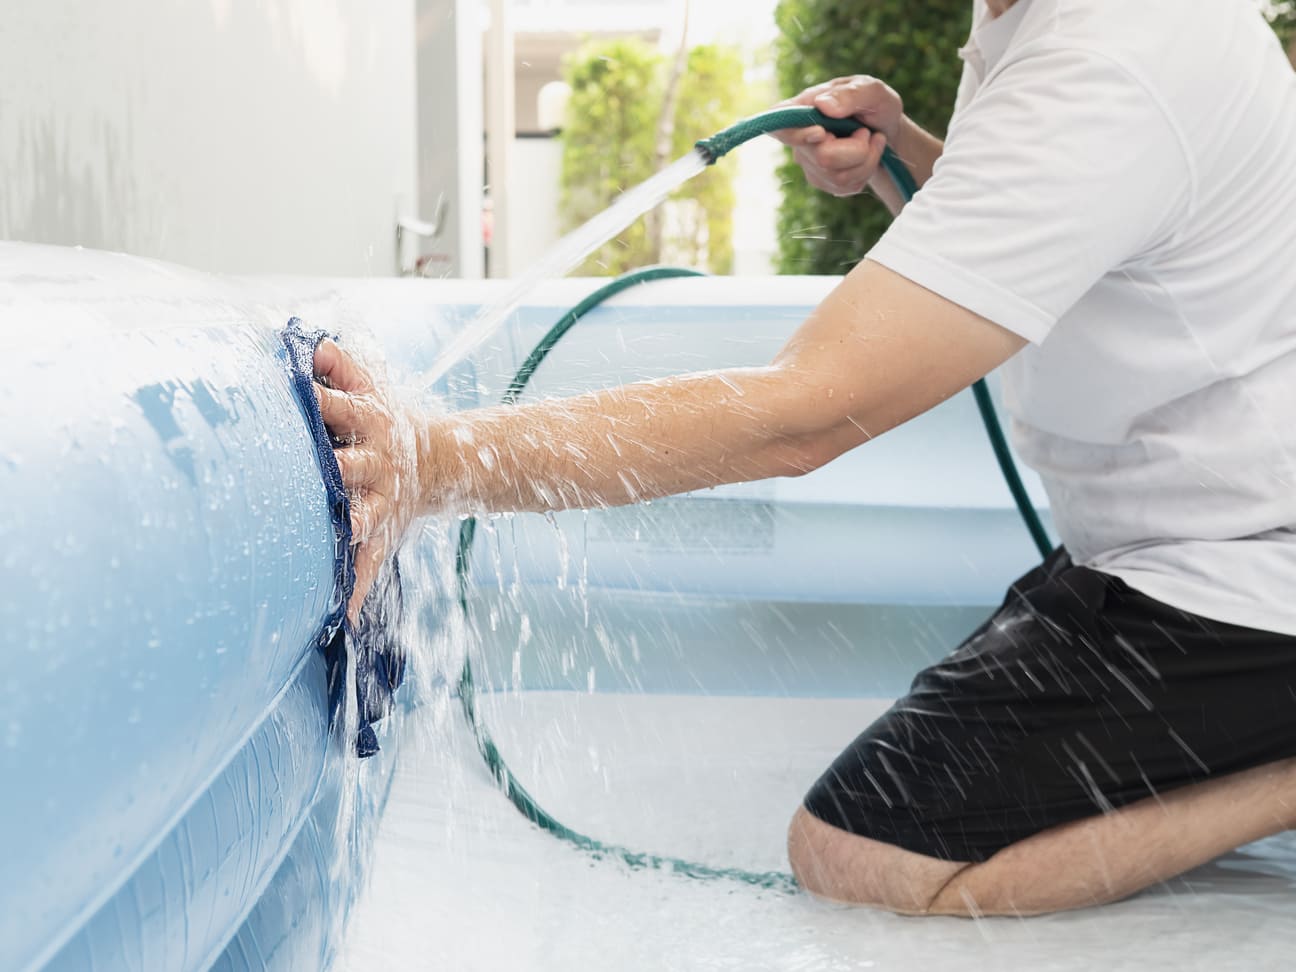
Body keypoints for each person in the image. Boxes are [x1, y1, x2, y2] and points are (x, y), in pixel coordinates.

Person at [313, 0, 1296, 917]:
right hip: (1171, 536)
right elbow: (1067, 222)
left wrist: (435, 463)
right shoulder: (1044, 24)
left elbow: (806, 417)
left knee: (864, 854)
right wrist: (900, 157)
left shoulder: (1116, 56)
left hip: (1241, 576)